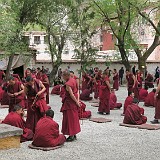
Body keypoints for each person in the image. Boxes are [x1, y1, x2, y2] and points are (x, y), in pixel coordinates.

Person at [60, 71, 81, 142]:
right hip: (73, 102)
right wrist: (77, 101)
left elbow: (71, 95)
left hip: (69, 103)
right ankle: (74, 134)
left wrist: (77, 102)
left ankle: (71, 135)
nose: (62, 78)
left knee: (69, 119)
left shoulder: (68, 84)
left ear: (66, 76)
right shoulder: (73, 80)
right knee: (74, 118)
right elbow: (77, 91)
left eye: (63, 76)